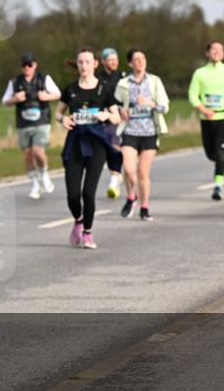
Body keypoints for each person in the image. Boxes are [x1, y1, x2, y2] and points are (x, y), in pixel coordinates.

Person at [55, 47, 121, 249]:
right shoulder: (71, 89)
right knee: (73, 195)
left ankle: (88, 233)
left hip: (97, 144)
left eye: (87, 62)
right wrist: (63, 119)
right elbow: (58, 113)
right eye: (80, 62)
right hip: (75, 143)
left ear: (95, 64)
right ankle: (78, 220)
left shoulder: (104, 89)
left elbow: (117, 116)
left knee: (88, 193)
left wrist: (107, 116)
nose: (83, 65)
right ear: (77, 64)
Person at [114, 48, 170, 222]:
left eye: (143, 58)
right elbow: (113, 104)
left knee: (142, 173)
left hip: (149, 132)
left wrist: (151, 103)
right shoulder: (124, 83)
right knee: (129, 170)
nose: (140, 62)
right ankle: (131, 197)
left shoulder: (154, 81)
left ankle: (144, 208)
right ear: (130, 63)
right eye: (136, 59)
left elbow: (165, 107)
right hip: (129, 130)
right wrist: (120, 110)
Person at [1, 53, 61, 199]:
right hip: (23, 122)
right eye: (24, 65)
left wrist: (47, 96)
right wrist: (15, 99)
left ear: (35, 65)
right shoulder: (15, 82)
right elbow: (4, 101)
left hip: (42, 121)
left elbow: (58, 94)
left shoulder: (44, 79)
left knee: (37, 151)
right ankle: (35, 183)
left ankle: (44, 173)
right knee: (27, 154)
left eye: (30, 64)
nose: (27, 67)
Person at [187, 41, 224, 200]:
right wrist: (203, 110)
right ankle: (220, 158)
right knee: (211, 154)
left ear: (223, 53)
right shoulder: (200, 73)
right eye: (214, 49)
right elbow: (192, 95)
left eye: (220, 49)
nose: (217, 52)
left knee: (220, 154)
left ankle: (218, 186)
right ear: (207, 53)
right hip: (206, 118)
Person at [97, 48, 127, 199]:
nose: (114, 62)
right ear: (102, 61)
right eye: (110, 59)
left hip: (119, 119)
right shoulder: (98, 77)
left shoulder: (123, 77)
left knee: (115, 147)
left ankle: (114, 179)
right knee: (106, 148)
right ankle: (115, 176)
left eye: (116, 59)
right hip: (101, 118)